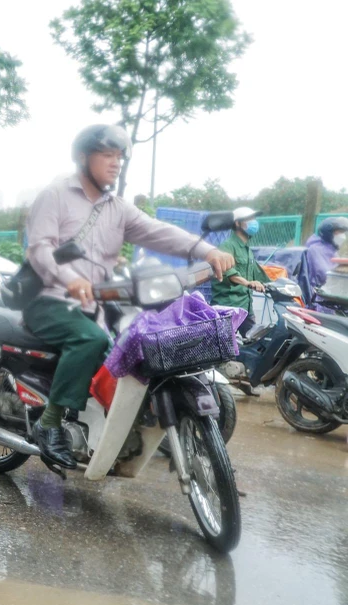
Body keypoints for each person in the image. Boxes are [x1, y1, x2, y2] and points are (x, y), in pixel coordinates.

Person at [23, 124, 235, 470]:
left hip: (94, 305)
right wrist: (71, 278)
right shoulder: (56, 195)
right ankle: (49, 423)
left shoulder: (118, 209)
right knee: (89, 339)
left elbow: (158, 232)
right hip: (49, 300)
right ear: (83, 157)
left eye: (119, 157)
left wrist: (206, 250)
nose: (115, 163)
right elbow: (40, 249)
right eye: (107, 154)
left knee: (131, 353)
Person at [210, 207, 270, 336]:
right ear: (237, 223)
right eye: (250, 219)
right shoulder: (227, 246)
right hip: (229, 307)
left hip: (246, 307)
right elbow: (229, 272)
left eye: (254, 219)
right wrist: (249, 283)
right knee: (227, 348)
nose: (254, 222)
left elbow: (258, 274)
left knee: (254, 341)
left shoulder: (247, 249)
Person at [303, 216, 348, 310]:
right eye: (338, 232)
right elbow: (324, 275)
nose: (342, 236)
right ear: (328, 233)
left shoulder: (332, 250)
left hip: (332, 295)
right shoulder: (315, 249)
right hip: (320, 300)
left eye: (343, 232)